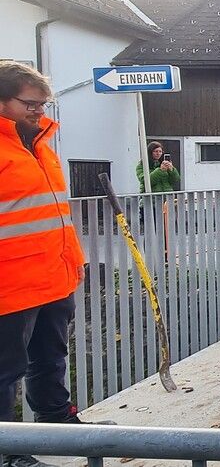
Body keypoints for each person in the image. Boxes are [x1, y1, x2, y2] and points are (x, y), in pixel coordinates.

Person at [0, 61, 95, 467]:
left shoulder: (39, 147)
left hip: (53, 277)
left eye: (44, 105)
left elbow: (54, 215)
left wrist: (75, 260)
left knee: (50, 358)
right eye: (31, 104)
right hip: (10, 284)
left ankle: (57, 422)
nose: (39, 112)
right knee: (6, 372)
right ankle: (9, 452)